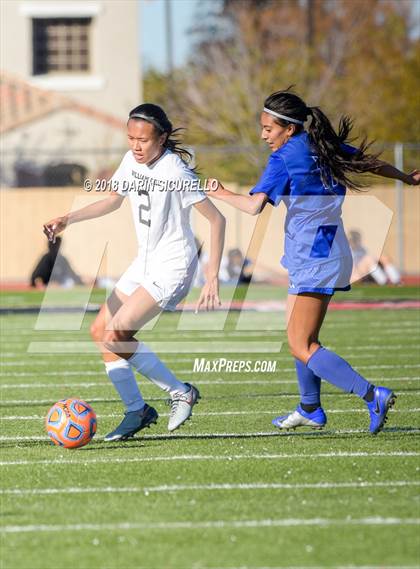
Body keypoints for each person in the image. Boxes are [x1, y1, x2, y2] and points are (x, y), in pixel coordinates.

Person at [207, 88, 419, 434]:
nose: (263, 136)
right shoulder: (322, 143)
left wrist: (217, 191)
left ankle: (371, 395)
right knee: (298, 335)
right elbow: (368, 162)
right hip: (326, 246)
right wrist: (405, 178)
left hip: (313, 255)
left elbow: (253, 206)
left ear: (288, 129)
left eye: (268, 129)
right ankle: (310, 407)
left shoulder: (285, 157)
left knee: (300, 343)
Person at [43, 103, 225, 441]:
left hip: (173, 265)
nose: (135, 146)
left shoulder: (176, 171)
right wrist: (68, 219)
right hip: (145, 261)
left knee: (117, 334)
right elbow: (112, 200)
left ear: (162, 138)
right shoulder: (131, 161)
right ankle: (137, 410)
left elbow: (217, 219)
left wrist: (212, 276)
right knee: (100, 332)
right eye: (130, 138)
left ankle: (181, 392)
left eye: (143, 140)